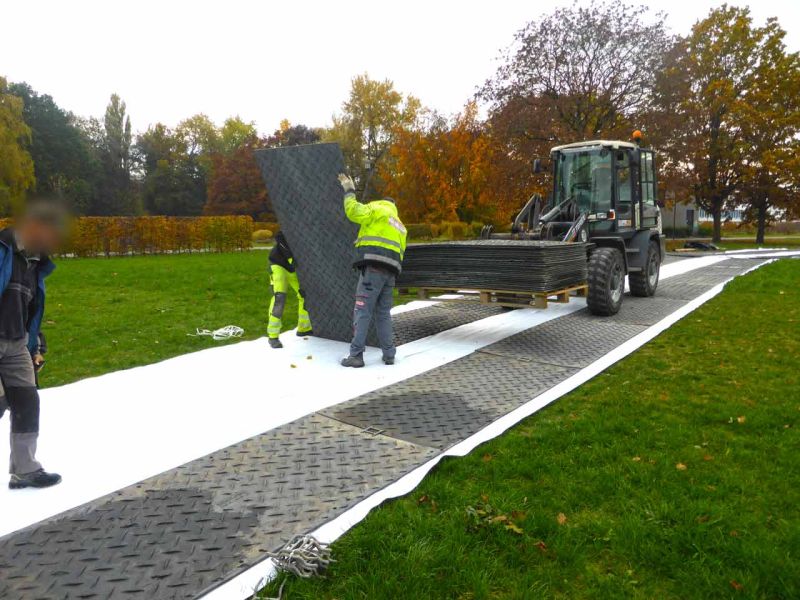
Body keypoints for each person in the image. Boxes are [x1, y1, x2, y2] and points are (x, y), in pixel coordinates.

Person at [0, 198, 67, 489]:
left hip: (16, 344)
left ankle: (25, 470)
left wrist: (35, 344)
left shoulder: (36, 264)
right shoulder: (3, 250)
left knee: (27, 402)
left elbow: (31, 311)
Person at [337, 174, 407, 368]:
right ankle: (389, 354)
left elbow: (353, 211)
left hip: (373, 269)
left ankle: (356, 355)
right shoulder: (400, 226)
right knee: (383, 313)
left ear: (383, 202)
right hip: (390, 273)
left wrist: (349, 190)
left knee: (362, 310)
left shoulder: (377, 209)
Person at [267, 231, 312, 348]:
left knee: (304, 295)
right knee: (279, 298)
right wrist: (291, 258)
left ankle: (304, 328)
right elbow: (279, 237)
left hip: (294, 268)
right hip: (278, 265)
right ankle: (273, 336)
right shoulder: (291, 225)